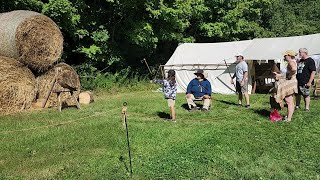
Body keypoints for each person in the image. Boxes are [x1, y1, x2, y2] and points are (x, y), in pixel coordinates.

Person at [273, 50, 298, 122]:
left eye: (285, 55)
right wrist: (279, 75)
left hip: (290, 82)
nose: (284, 56)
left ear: (289, 56)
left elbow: (294, 69)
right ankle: (288, 117)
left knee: (289, 101)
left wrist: (289, 75)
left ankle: (289, 118)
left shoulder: (291, 62)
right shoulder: (292, 61)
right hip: (291, 82)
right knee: (289, 101)